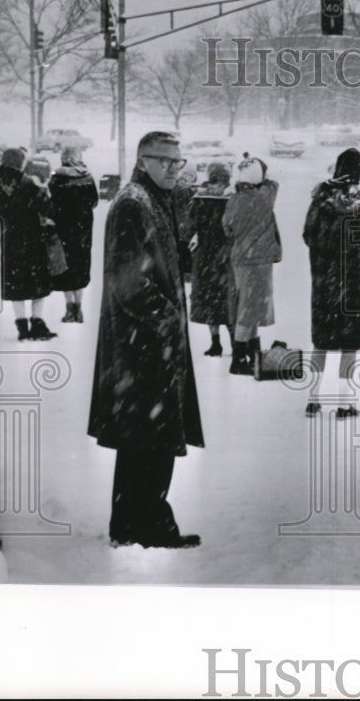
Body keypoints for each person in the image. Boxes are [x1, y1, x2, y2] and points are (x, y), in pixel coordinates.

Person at [87, 131, 203, 549]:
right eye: (166, 160)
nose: (176, 168)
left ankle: (132, 523)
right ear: (144, 160)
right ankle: (147, 524)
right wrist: (168, 321)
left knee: (146, 441)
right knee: (150, 440)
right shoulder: (134, 204)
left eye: (179, 161)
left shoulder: (154, 200)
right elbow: (129, 282)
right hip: (143, 345)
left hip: (149, 344)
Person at [302, 147, 360, 417]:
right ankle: (345, 403)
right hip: (354, 283)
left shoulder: (320, 197)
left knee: (322, 341)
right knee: (351, 343)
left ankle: (313, 399)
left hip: (324, 280)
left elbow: (307, 234)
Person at [0, 147, 57, 341]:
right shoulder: (27, 183)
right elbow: (46, 206)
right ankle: (37, 323)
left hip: (10, 239)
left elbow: (2, 210)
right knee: (38, 282)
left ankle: (22, 327)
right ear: (20, 162)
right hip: (32, 238)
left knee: (16, 284)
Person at [222, 158, 280, 375]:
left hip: (240, 259)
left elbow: (226, 227)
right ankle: (238, 360)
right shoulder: (264, 197)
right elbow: (273, 184)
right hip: (259, 260)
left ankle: (252, 353)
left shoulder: (234, 199)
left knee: (249, 305)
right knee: (249, 309)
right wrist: (259, 171)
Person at [186, 162, 234, 357]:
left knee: (208, 300)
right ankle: (235, 342)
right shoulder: (231, 198)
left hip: (205, 255)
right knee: (228, 300)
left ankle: (215, 343)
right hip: (226, 255)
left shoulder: (198, 197)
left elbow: (187, 227)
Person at [48, 147, 99, 323]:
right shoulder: (87, 177)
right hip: (83, 228)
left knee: (64, 264)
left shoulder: (57, 178)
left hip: (63, 227)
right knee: (81, 264)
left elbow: (51, 202)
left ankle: (69, 308)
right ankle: (79, 307)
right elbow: (94, 201)